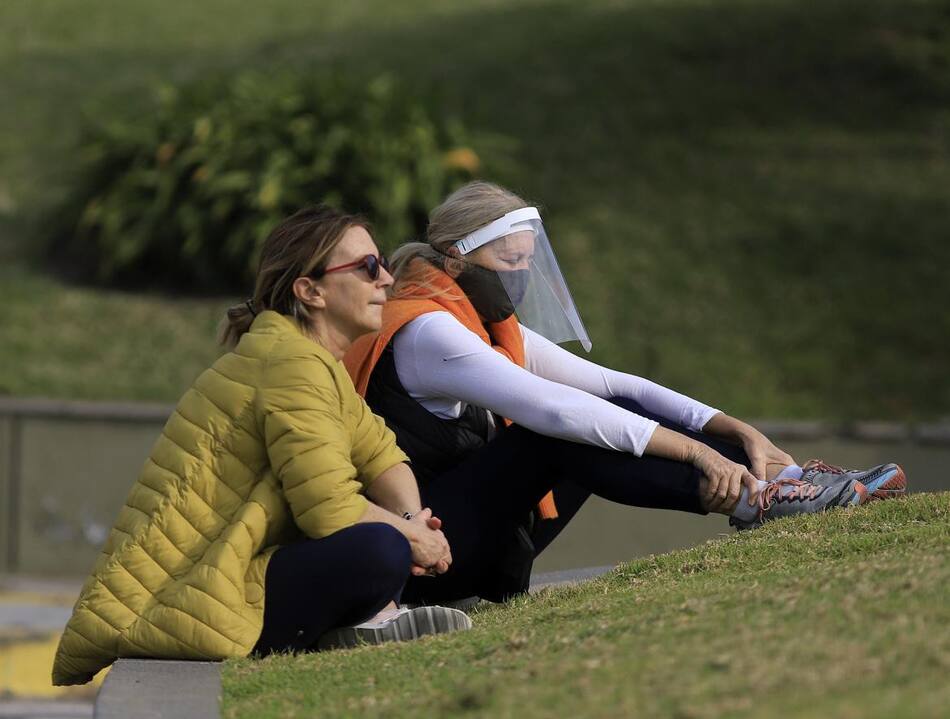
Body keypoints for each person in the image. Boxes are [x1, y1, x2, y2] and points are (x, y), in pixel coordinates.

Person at [344, 181, 907, 605]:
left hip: (468, 538)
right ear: (456, 260)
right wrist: (697, 454)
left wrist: (733, 429)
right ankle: (752, 500)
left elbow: (615, 385)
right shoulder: (428, 330)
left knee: (608, 411)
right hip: (423, 558)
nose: (521, 275)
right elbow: (556, 410)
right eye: (510, 262)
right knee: (554, 434)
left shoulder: (483, 322)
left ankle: (784, 482)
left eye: (528, 262)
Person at [52, 205, 470, 687]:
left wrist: (413, 521)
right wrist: (410, 537)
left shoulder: (313, 361)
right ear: (310, 291)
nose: (386, 279)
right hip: (195, 596)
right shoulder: (290, 363)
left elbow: (383, 456)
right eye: (368, 267)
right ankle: (370, 616)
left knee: (391, 540)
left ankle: (370, 617)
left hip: (236, 573)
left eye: (383, 264)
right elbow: (329, 510)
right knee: (381, 549)